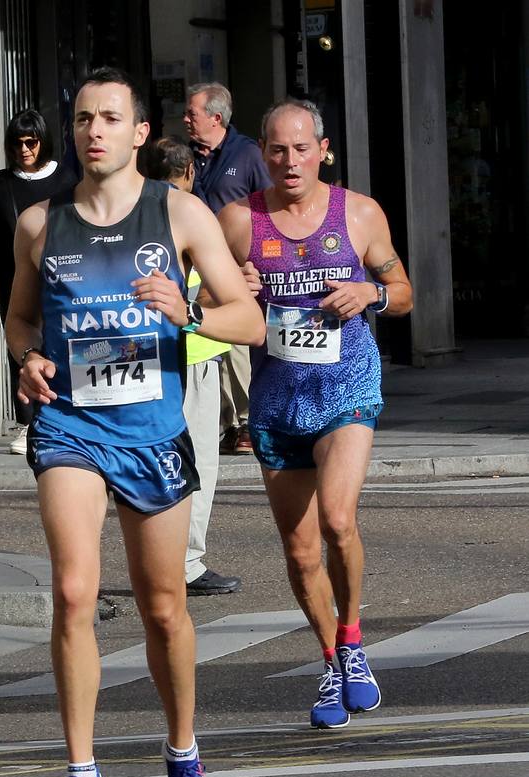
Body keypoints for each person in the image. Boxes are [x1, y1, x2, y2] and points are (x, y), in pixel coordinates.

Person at [4, 68, 265, 777]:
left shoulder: (178, 211)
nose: (94, 131)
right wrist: (26, 359)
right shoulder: (39, 224)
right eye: (83, 118)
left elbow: (248, 320)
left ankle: (183, 760)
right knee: (72, 592)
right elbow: (19, 319)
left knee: (162, 608)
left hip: (151, 433)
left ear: (139, 132)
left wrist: (188, 312)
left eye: (110, 118)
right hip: (70, 427)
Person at [218, 99, 413, 729]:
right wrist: (234, 290)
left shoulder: (358, 213)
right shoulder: (238, 221)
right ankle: (332, 660)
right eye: (277, 150)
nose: (290, 161)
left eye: (301, 149)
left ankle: (352, 638)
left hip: (346, 387)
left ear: (323, 151)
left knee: (336, 518)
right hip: (276, 400)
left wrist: (370, 291)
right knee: (301, 554)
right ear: (262, 154)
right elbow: (205, 301)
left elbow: (404, 293)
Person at [141, 137, 243, 597]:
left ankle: (156, 563)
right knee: (197, 461)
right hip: (194, 353)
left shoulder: (130, 215)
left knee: (145, 463)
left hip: (145, 360)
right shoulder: (192, 214)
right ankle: (185, 564)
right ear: (188, 173)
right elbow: (211, 294)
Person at [0, 110, 77, 455]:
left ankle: (60, 416)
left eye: (31, 142)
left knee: (57, 342)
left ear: (42, 141)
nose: (24, 150)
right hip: (10, 276)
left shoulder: (65, 179)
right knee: (21, 347)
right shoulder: (2, 182)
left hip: (59, 275)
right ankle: (28, 422)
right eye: (17, 144)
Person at [184, 82, 272, 456]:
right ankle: (228, 423)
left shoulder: (247, 154)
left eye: (192, 113)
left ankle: (248, 420)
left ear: (216, 118)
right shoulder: (187, 156)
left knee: (236, 341)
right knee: (207, 336)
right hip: (195, 263)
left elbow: (268, 204)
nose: (185, 119)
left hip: (236, 263)